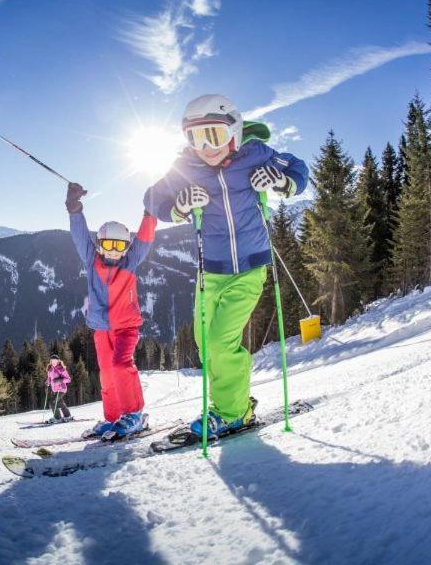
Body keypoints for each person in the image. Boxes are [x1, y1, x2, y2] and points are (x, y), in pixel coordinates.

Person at [143, 94, 309, 438]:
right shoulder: (185, 168)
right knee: (206, 344)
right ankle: (234, 402)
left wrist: (280, 181)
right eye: (195, 137)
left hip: (250, 268)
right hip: (211, 272)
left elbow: (299, 170)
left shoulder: (257, 154)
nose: (205, 146)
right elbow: (153, 197)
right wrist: (179, 206)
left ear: (233, 130)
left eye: (214, 135)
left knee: (220, 341)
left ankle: (232, 412)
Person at [65, 182, 157, 438]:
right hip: (101, 328)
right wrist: (74, 209)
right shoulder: (90, 259)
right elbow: (79, 235)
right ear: (99, 243)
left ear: (126, 247)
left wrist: (149, 213)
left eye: (120, 246)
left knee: (120, 365)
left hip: (126, 327)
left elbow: (146, 239)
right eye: (108, 244)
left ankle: (134, 414)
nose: (114, 251)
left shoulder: (130, 262)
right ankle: (114, 417)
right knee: (106, 374)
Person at [45, 355, 72, 422]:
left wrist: (60, 380)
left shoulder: (61, 369)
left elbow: (68, 379)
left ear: (58, 361)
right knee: (60, 403)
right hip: (55, 390)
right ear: (50, 362)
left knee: (52, 402)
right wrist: (48, 382)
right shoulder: (50, 369)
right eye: (52, 361)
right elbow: (50, 379)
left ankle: (58, 418)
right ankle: (68, 416)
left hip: (61, 389)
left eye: (55, 361)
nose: (54, 362)